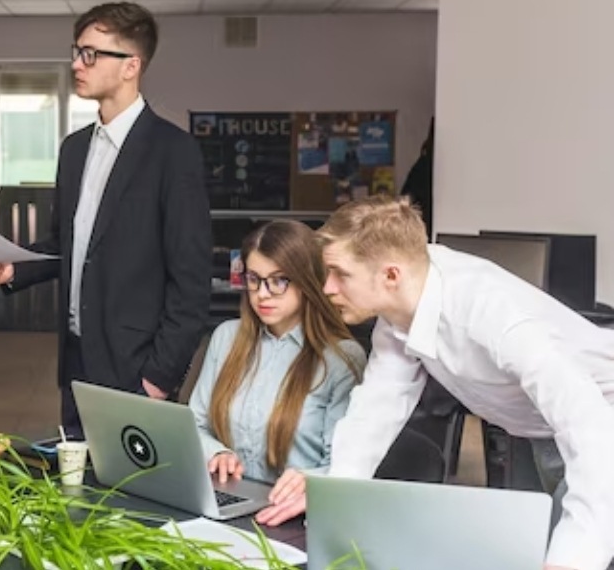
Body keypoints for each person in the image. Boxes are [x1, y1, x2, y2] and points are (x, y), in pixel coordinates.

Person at [257, 196, 614, 570]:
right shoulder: (402, 303)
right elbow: (377, 409)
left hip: (600, 421)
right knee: (527, 554)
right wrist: (334, 496)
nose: (327, 287)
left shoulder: (493, 315)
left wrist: (575, 557)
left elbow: (591, 429)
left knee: (577, 551)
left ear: (390, 275)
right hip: (535, 428)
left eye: (339, 273)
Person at [0, 2, 212, 437]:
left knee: (133, 484)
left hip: (137, 369)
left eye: (90, 54)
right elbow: (66, 246)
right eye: (76, 52)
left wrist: (158, 380)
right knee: (75, 477)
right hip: (76, 362)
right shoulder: (74, 149)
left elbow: (191, 284)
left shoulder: (173, 152)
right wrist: (12, 268)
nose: (76, 65)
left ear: (130, 66)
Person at [190, 220, 364, 485]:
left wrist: (305, 481)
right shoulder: (226, 337)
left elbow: (344, 465)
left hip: (298, 504)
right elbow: (195, 425)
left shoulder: (341, 357)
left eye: (279, 280)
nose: (262, 294)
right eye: (254, 279)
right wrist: (217, 453)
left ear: (307, 282)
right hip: (229, 492)